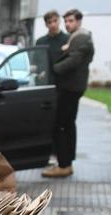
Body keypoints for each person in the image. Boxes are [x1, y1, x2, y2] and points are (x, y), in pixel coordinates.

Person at [41, 9, 94, 179]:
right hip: (71, 88)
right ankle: (67, 163)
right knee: (68, 125)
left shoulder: (81, 37)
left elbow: (73, 61)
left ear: (79, 21)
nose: (67, 24)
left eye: (71, 21)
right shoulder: (76, 37)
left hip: (70, 88)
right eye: (66, 21)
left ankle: (63, 165)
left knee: (61, 126)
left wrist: (53, 69)